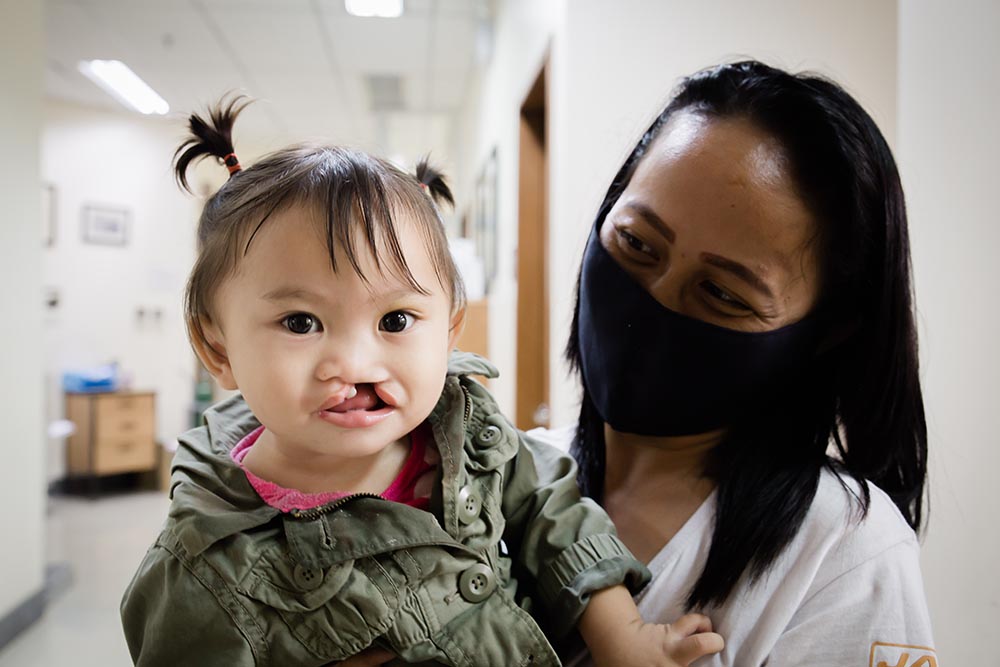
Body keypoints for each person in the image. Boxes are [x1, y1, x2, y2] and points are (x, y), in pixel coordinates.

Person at [119, 96, 723, 667]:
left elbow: (552, 513)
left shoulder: (466, 430)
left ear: (449, 331)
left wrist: (626, 638)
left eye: (396, 320)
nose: (355, 364)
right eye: (301, 322)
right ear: (217, 347)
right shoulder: (203, 565)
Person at [549, 60, 936, 666]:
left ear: (827, 333)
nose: (655, 299)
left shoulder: (840, 552)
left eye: (723, 294)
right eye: (637, 244)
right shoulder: (505, 476)